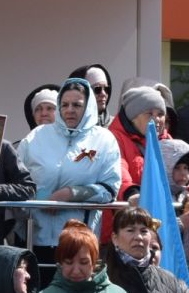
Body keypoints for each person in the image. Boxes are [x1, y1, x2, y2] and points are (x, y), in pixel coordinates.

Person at [19, 77, 123, 252]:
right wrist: (41, 198)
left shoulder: (104, 139)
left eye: (77, 105)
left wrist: (69, 194)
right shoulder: (36, 136)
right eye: (65, 104)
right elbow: (18, 181)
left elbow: (110, 189)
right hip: (35, 239)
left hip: (80, 241)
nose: (70, 110)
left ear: (88, 106)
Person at [35, 221, 135, 293]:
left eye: (83, 262)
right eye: (69, 262)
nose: (76, 270)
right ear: (60, 262)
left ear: (94, 262)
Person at [103, 206, 189, 293]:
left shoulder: (169, 280)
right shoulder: (103, 280)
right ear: (115, 238)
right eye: (130, 230)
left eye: (144, 231)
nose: (138, 237)